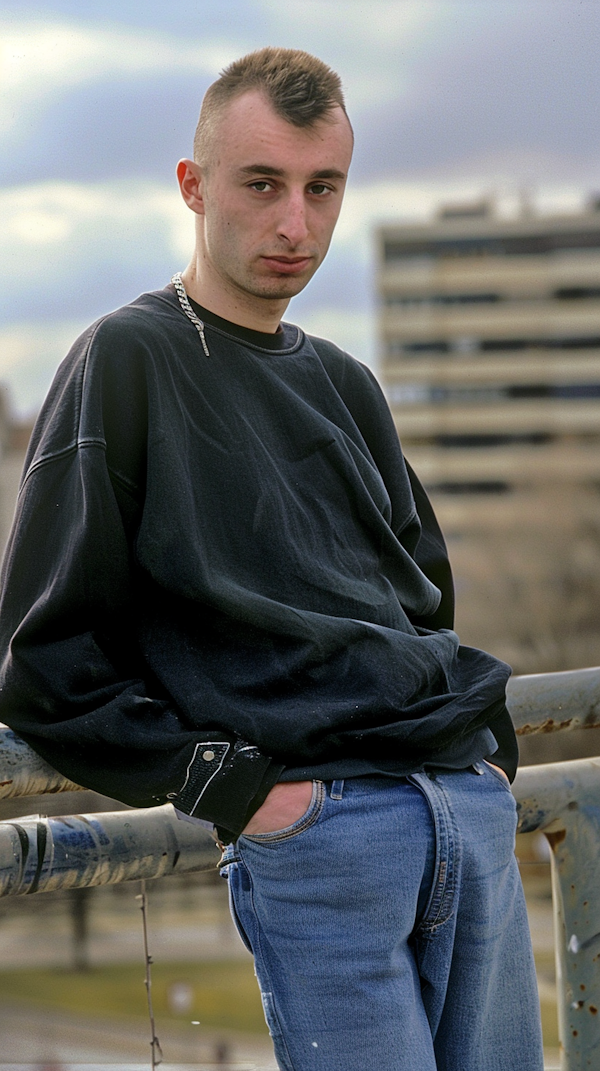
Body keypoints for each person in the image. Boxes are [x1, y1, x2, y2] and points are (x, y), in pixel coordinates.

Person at [0, 48, 543, 1071]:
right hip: (322, 834)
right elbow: (46, 661)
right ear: (194, 187)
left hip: (461, 818)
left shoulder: (347, 385)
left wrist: (484, 766)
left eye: (321, 187)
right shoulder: (125, 362)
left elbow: (422, 608)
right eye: (263, 185)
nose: (296, 225)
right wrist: (238, 793)